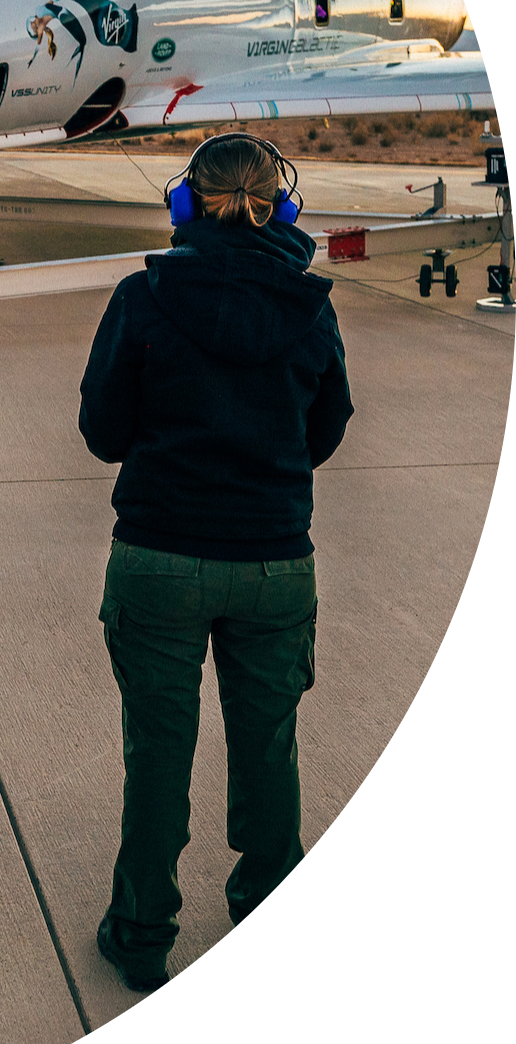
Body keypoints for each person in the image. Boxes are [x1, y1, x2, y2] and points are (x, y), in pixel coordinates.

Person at [77, 132, 354, 992]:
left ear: (184, 203)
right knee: (268, 747)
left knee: (156, 750)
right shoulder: (311, 306)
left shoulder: (143, 296)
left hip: (158, 557)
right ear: (284, 204)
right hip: (273, 562)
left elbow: (101, 433)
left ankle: (140, 935)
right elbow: (326, 428)